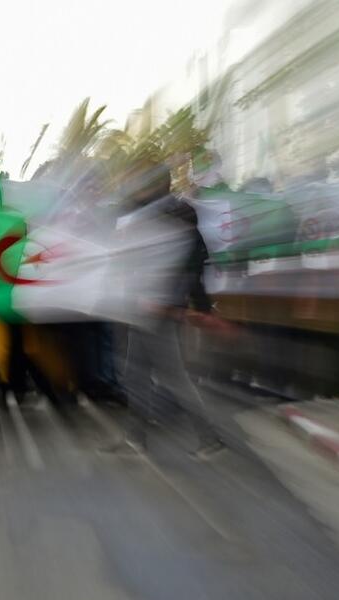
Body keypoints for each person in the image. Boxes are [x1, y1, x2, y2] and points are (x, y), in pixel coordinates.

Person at [110, 159, 226, 460]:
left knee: (173, 376)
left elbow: (192, 261)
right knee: (136, 375)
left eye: (139, 179)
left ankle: (210, 438)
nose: (133, 186)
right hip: (142, 305)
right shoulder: (141, 213)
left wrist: (182, 302)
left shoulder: (178, 211)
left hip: (160, 308)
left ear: (157, 183)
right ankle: (135, 439)